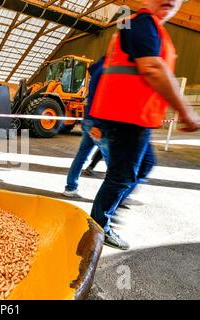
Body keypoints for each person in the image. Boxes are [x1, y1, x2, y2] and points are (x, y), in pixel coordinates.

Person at [89, 0, 200, 250]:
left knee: (143, 166)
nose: (170, 1)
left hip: (131, 116)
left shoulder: (145, 26)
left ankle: (106, 212)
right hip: (125, 116)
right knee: (121, 176)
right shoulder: (142, 23)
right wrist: (185, 110)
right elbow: (152, 68)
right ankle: (98, 226)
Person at [63, 56, 110, 198]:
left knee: (81, 156)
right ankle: (115, 196)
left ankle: (70, 187)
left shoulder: (97, 69)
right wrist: (97, 124)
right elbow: (101, 98)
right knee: (113, 163)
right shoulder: (108, 70)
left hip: (89, 119)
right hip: (99, 122)